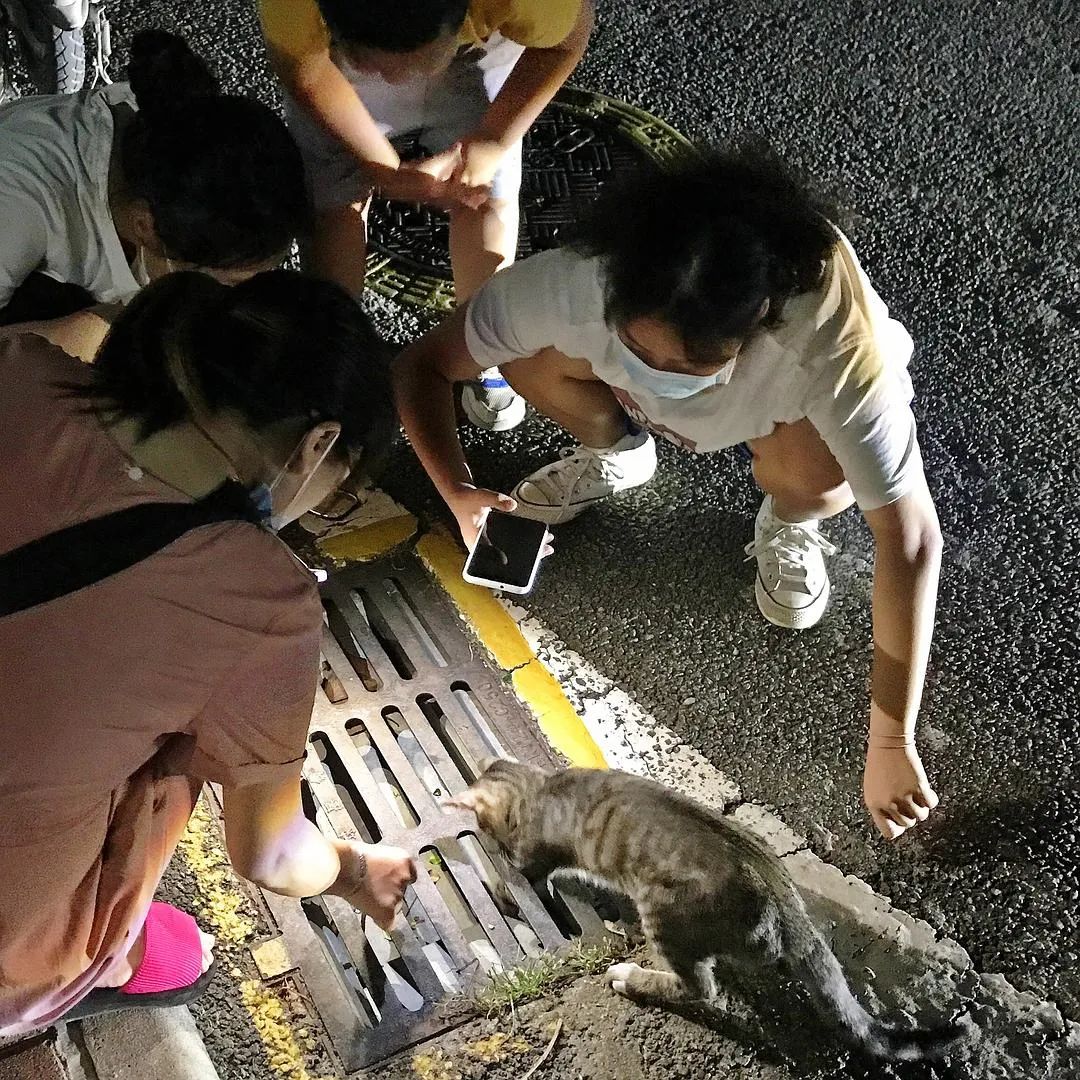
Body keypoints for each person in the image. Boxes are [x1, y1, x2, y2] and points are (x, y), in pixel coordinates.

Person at [393, 146, 945, 842]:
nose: (659, 375)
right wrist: (458, 490)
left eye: (689, 364)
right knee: (525, 353)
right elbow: (424, 364)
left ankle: (790, 516)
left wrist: (891, 739)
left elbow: (909, 538)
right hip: (631, 375)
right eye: (640, 350)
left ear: (759, 320)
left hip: (783, 419)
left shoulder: (836, 353)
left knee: (823, 472)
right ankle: (619, 451)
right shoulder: (575, 281)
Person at [0, 270, 415, 1035]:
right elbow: (272, 856)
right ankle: (94, 967)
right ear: (318, 443)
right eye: (339, 484)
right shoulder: (260, 595)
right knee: (181, 947)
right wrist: (356, 872)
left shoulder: (19, 367)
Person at [257, 0, 594, 433]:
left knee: (482, 193)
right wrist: (381, 167)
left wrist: (493, 139)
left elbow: (566, 41)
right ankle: (334, 351)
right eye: (375, 64)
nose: (395, 79)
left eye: (415, 64)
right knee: (333, 204)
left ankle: (482, 347)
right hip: (336, 64)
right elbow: (306, 68)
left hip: (475, 52)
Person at [0, 29, 309, 324]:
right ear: (144, 225)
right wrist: (93, 330)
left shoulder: (168, 120)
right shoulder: (19, 210)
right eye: (228, 285)